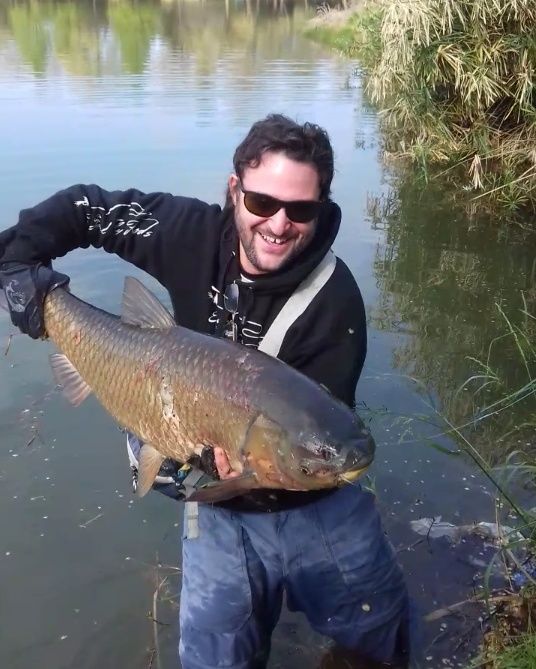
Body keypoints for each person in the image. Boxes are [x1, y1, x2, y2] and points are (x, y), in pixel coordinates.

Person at [0, 114, 413, 668]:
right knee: (214, 653)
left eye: (302, 210)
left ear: (322, 211)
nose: (279, 223)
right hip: (218, 501)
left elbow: (316, 438)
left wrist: (233, 460)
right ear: (234, 191)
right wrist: (18, 261)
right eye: (263, 203)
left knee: (376, 635)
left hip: (316, 501)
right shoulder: (189, 232)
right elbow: (86, 206)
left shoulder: (335, 302)